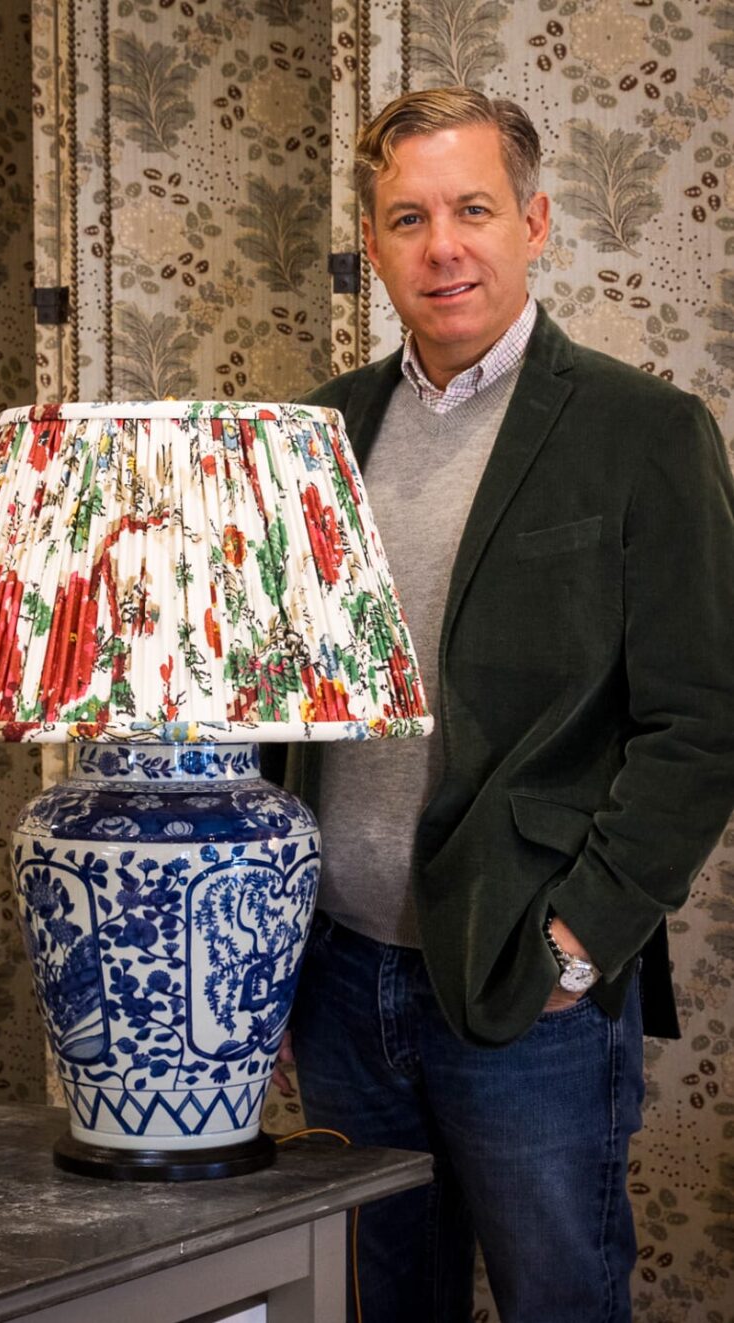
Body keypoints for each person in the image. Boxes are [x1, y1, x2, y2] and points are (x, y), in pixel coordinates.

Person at [271, 87, 734, 1322]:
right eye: (407, 217)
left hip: (525, 992)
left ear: (532, 223)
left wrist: (579, 943)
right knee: (375, 1304)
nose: (442, 245)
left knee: (557, 1302)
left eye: (471, 209)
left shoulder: (644, 433)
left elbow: (701, 723)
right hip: (339, 981)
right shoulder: (317, 432)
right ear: (371, 246)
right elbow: (278, 697)